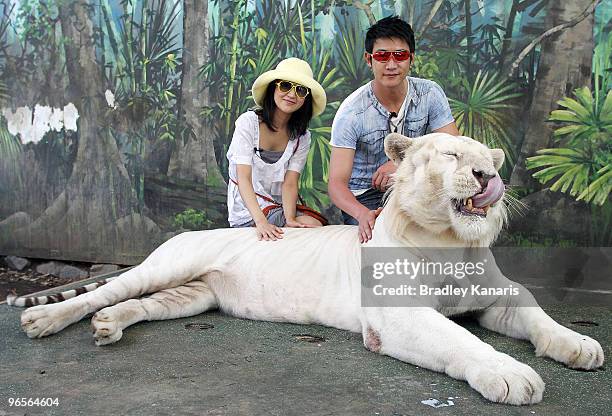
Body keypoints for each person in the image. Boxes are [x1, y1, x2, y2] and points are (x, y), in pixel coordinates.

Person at [329, 15, 460, 243]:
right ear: (369, 60)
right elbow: (336, 184)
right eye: (382, 56)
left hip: (417, 187)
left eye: (399, 55)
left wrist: (401, 164)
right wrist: (362, 214)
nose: (391, 64)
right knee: (384, 247)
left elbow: (452, 145)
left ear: (411, 59)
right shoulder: (351, 112)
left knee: (445, 236)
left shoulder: (430, 94)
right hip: (365, 198)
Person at [227, 58, 327, 241]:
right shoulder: (248, 123)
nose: (291, 94)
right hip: (248, 209)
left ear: (306, 99)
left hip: (277, 207)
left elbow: (290, 183)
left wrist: (290, 220)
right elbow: (243, 178)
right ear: (273, 87)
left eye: (300, 90)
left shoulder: (302, 137)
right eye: (286, 86)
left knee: (313, 224)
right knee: (309, 227)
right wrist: (261, 222)